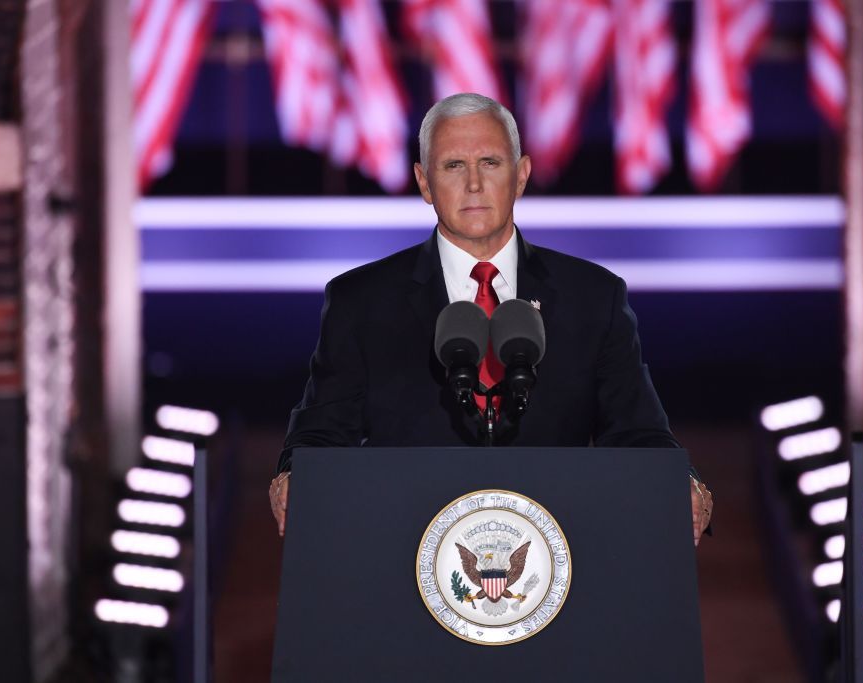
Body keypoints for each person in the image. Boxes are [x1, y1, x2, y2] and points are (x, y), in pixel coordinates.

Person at [269, 93, 713, 543]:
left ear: (521, 176)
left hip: (559, 558)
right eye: (454, 166)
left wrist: (681, 481)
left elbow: (639, 432)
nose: (475, 184)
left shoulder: (594, 297)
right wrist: (294, 476)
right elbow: (320, 436)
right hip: (403, 555)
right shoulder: (361, 301)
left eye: (491, 162)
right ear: (424, 183)